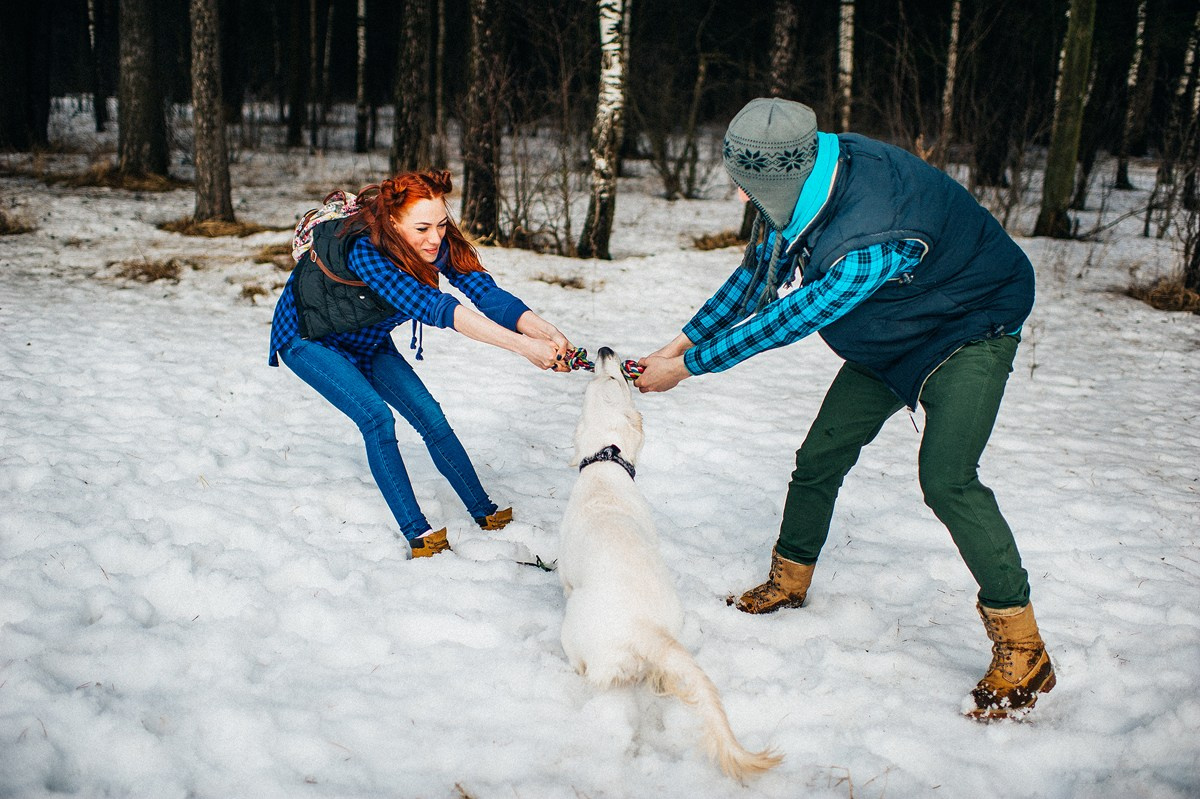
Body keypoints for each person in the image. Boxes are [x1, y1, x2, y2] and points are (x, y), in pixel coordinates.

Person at [635, 98, 1054, 720]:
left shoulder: (876, 229)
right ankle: (789, 578)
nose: (747, 200)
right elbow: (756, 277)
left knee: (946, 479)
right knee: (821, 453)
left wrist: (690, 369)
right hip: (890, 327)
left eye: (754, 188)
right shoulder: (796, 181)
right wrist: (680, 342)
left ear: (787, 175)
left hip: (969, 324)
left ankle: (1024, 647)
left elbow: (792, 316)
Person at [269, 170, 572, 558]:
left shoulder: (430, 240)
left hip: (365, 338)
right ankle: (418, 534)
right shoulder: (365, 250)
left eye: (442, 224)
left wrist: (543, 330)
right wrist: (523, 347)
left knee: (431, 417)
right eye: (423, 228)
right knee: (376, 418)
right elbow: (434, 306)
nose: (435, 238)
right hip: (308, 337)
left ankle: (486, 512)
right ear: (392, 222)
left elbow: (483, 291)